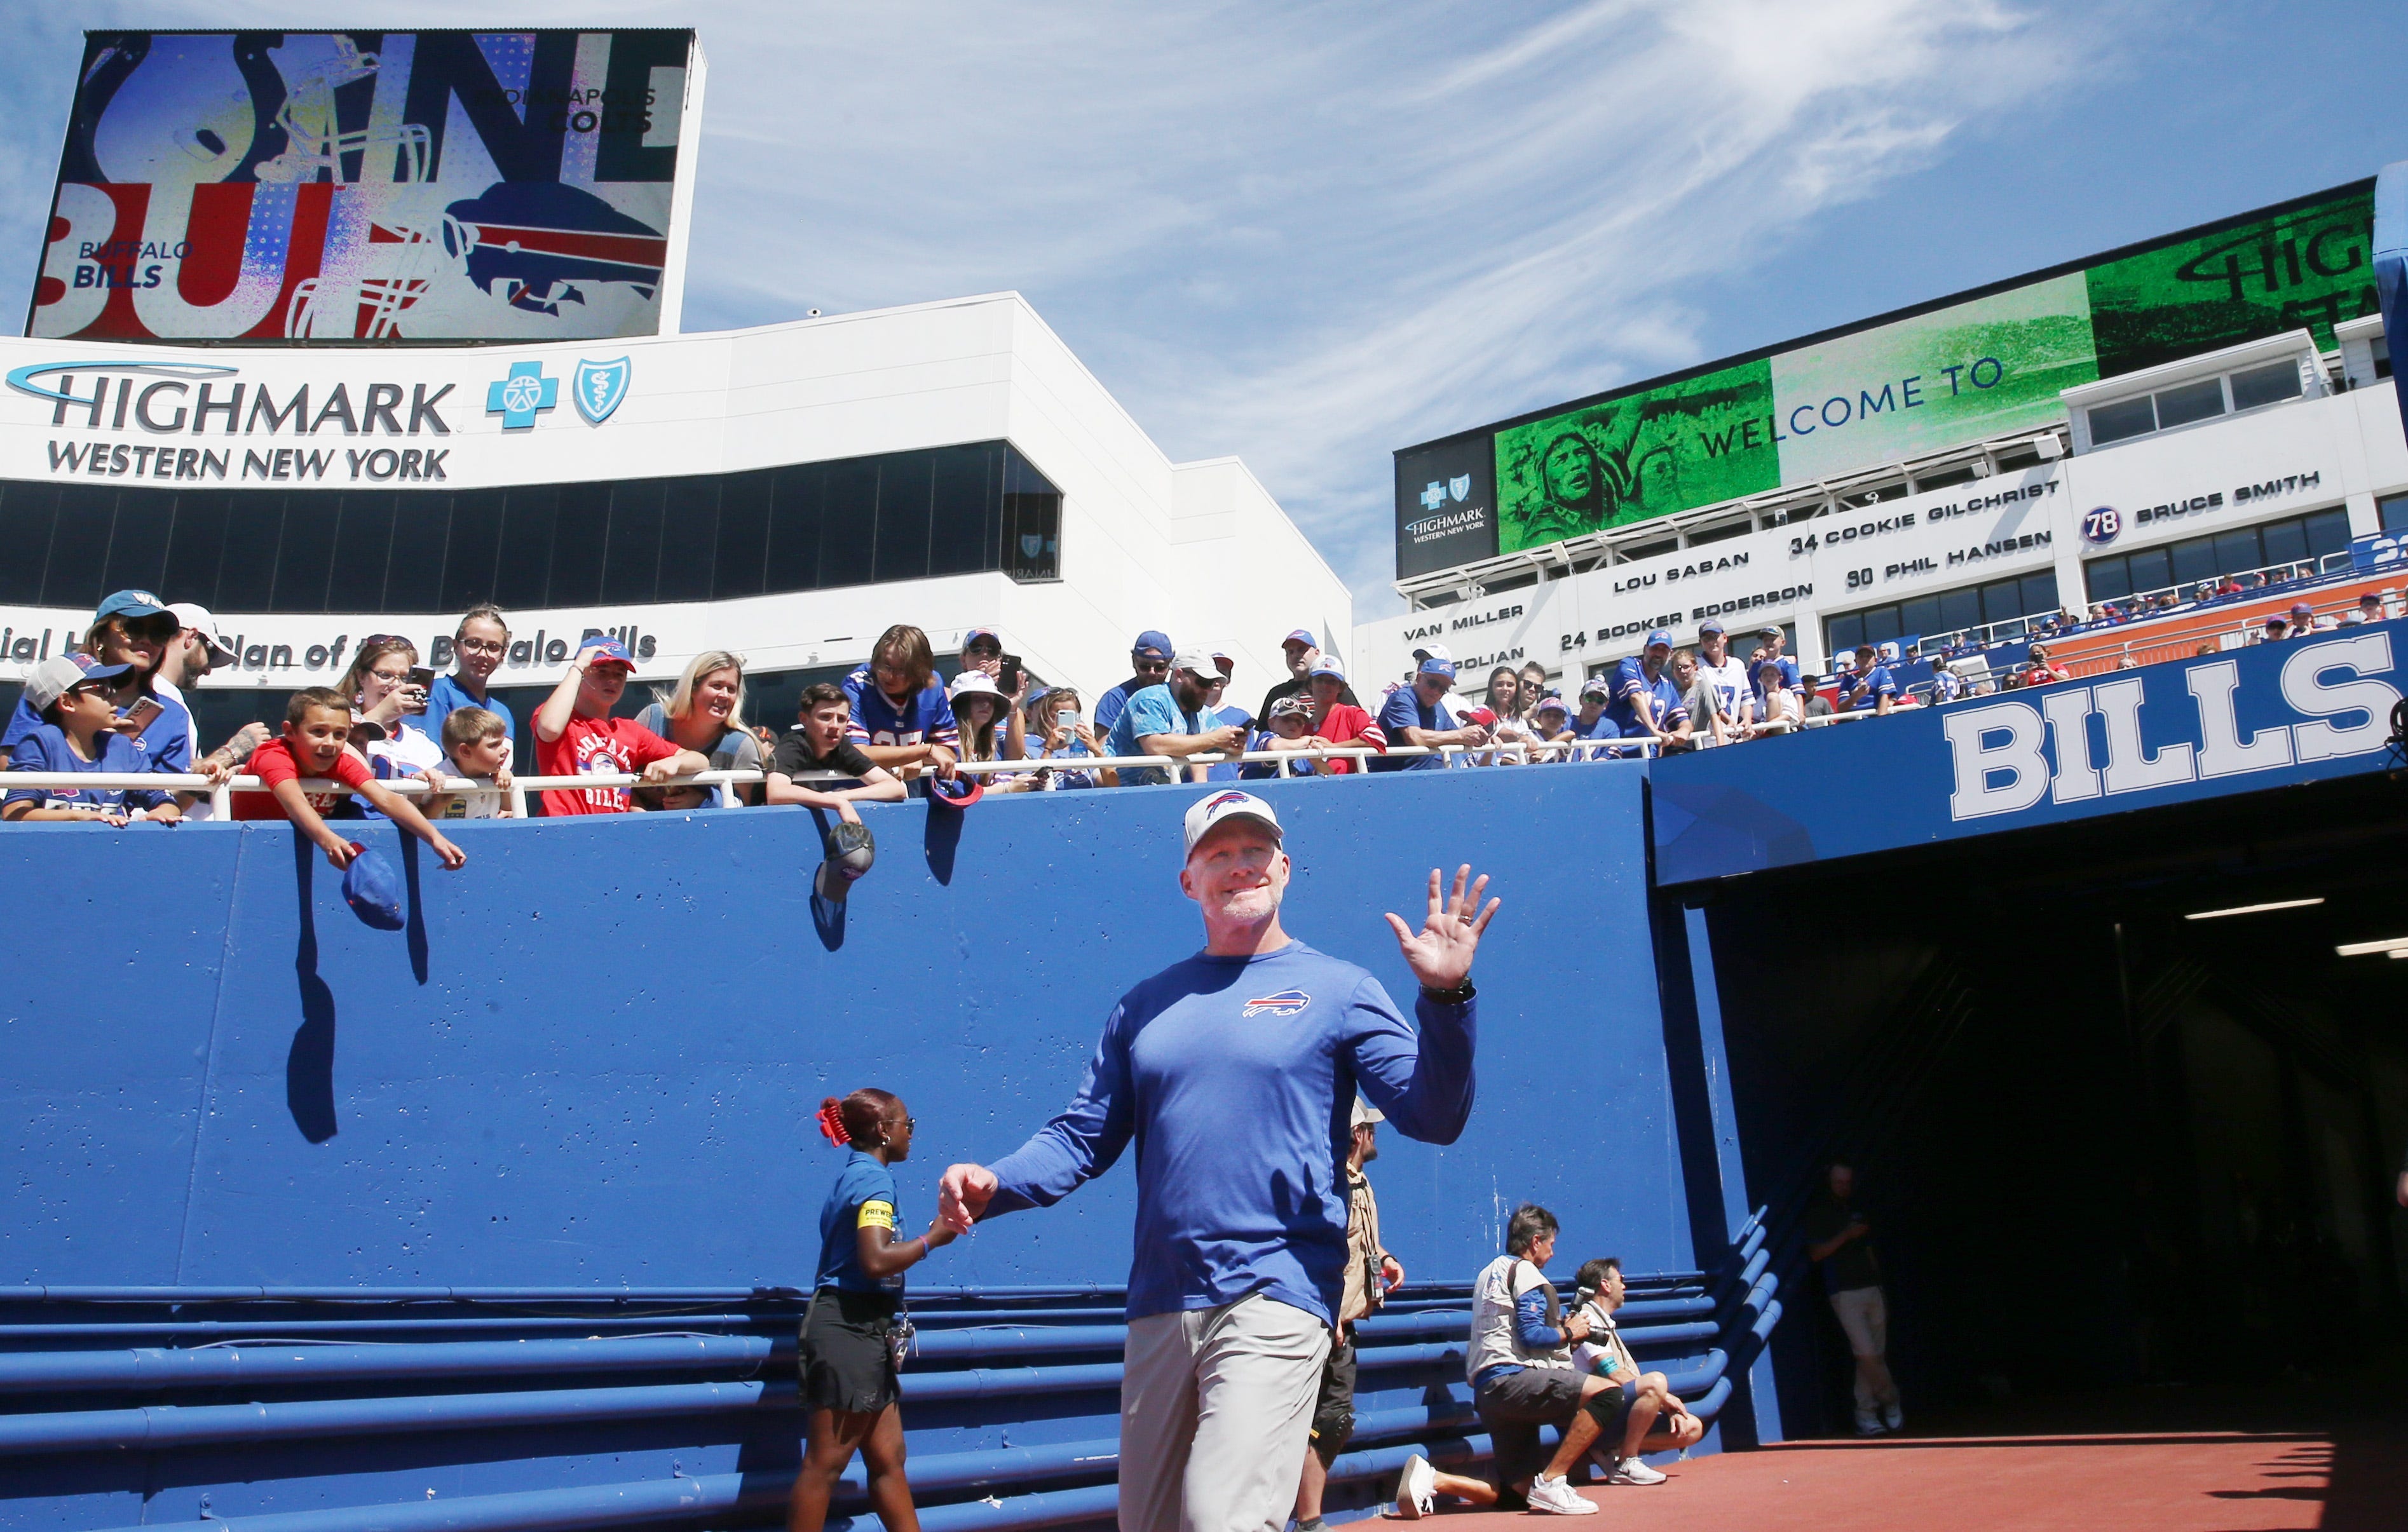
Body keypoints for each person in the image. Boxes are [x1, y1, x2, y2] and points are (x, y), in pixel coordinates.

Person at [935, 792, 1493, 1532]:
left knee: (1223, 1518)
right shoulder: (1144, 1005)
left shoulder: (1341, 990)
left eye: (1254, 851)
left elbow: (1435, 1113)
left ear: (1284, 867)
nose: (1239, 867)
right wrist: (997, 1180)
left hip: (1277, 1288)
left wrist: (1447, 997)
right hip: (1162, 1301)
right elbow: (1081, 1138)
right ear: (1189, 880)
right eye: (1218, 854)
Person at [787, 1088, 957, 1532]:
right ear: (884, 1131)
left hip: (866, 1330)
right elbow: (876, 1259)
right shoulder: (873, 1181)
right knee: (825, 1464)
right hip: (849, 1327)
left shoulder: (859, 1175)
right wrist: (931, 1239)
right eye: (908, 1125)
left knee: (888, 1458)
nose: (911, 1134)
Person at [1467, 1203, 1661, 1512]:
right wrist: (1569, 1333)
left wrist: (1562, 1337)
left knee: (1518, 1493)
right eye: (1551, 1245)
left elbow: (1514, 1333)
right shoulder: (1527, 1272)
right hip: (1514, 1380)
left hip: (1488, 1392)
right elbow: (1531, 1334)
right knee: (1608, 1394)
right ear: (1535, 1242)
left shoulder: (1486, 1273)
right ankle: (1554, 1480)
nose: (1552, 1253)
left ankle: (1434, 1479)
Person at [1290, 1098, 1406, 1532]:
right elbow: (1316, 1250)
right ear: (1358, 1134)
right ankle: (1308, 1520)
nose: (1377, 1135)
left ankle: (1306, 1518)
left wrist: (1384, 1255)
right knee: (1326, 1419)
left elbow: (1357, 1241)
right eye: (1371, 1128)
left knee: (1329, 1420)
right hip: (1325, 1322)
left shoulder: (1359, 1182)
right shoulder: (1331, 1184)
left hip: (1343, 1321)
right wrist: (1330, 1314)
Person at [229, 688, 466, 871]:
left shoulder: (340, 760)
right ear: (290, 732)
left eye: (340, 735)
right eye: (318, 732)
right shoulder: (274, 756)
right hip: (245, 850)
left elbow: (386, 798)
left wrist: (435, 839)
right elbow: (296, 804)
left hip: (291, 853)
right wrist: (329, 841)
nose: (330, 743)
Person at [532, 636, 709, 817]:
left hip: (613, 833)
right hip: (564, 830)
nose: (613, 681)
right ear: (583, 673)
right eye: (602, 671)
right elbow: (550, 728)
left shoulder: (630, 731)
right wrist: (577, 667)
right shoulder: (560, 718)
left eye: (619, 674)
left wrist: (675, 762)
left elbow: (701, 761)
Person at [2, 657, 177, 825]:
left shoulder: (121, 747)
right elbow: (14, 813)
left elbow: (164, 799)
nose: (116, 699)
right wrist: (80, 818)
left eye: (114, 689)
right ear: (67, 702)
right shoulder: (41, 742)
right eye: (103, 690)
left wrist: (162, 813)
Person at [1569, 1257, 1704, 1463]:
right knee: (1655, 1381)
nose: (1624, 1286)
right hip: (1594, 1412)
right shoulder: (1587, 1319)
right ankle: (1627, 1461)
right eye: (1620, 1279)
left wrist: (1663, 1404)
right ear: (1605, 1285)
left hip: (1618, 1408)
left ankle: (1614, 1447)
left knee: (1692, 1428)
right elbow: (1612, 1372)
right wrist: (1665, 1398)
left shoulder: (1604, 1321)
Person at [1804, 1162, 1901, 1435]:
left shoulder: (1859, 1207)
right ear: (1829, 1183)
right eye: (1839, 1183)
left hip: (1872, 1288)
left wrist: (1880, 1284)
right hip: (1844, 1291)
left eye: (1847, 1182)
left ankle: (1866, 1415)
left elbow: (1870, 1249)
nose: (1844, 1188)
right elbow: (1816, 1253)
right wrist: (1847, 1235)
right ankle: (1890, 1399)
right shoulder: (1820, 1213)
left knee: (1874, 1355)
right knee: (1866, 1353)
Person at [637, 651, 764, 807]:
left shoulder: (741, 746)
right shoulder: (653, 718)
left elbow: (742, 807)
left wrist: (703, 801)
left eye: (731, 689)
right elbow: (621, 778)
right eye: (716, 686)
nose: (724, 695)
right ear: (693, 688)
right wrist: (637, 811)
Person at [767, 683, 909, 817]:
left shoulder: (843, 747)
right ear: (804, 719)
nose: (834, 726)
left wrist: (842, 797)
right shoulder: (792, 745)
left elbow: (896, 789)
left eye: (841, 719)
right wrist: (837, 803)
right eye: (825, 717)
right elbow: (777, 793)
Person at [1103, 653, 1246, 786]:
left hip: (1159, 793)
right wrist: (1216, 739)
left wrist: (1236, 742)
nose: (1208, 690)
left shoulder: (1202, 712)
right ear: (1179, 675)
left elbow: (1227, 745)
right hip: (1118, 790)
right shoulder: (1150, 699)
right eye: (1203, 682)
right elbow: (1155, 746)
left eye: (1211, 684)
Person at [845, 625, 960, 785]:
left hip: (906, 791)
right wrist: (921, 752)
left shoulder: (933, 686)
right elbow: (856, 752)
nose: (890, 676)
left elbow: (950, 750)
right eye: (886, 665)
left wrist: (919, 758)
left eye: (901, 670)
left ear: (919, 672)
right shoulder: (858, 685)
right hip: (856, 787)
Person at [342, 635, 447, 780]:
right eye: (385, 675)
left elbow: (421, 804)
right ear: (361, 677)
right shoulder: (339, 721)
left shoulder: (424, 746)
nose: (396, 685)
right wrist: (382, 714)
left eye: (405, 678)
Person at [421, 604, 516, 749]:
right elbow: (424, 757)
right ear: (456, 646)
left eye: (493, 647)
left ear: (503, 654)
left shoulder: (503, 713)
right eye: (473, 644)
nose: (483, 654)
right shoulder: (436, 693)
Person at [1372, 656, 1487, 771]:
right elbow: (1415, 738)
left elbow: (1454, 736)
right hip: (1388, 779)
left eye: (1443, 689)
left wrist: (1482, 736)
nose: (1436, 692)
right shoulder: (1403, 698)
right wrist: (1462, 735)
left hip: (1422, 779)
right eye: (1432, 684)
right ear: (1419, 678)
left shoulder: (1438, 707)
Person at [1603, 632, 1687, 754]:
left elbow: (1683, 719)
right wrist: (1654, 730)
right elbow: (1636, 696)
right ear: (1645, 649)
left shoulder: (1667, 686)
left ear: (1670, 655)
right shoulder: (1630, 665)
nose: (1658, 654)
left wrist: (1684, 730)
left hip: (1647, 753)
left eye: (1664, 650)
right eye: (1655, 648)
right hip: (1616, 750)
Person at [427, 706, 515, 820]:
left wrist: (505, 785)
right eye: (494, 745)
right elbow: (416, 824)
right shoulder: (437, 780)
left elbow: (509, 810)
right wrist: (437, 804)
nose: (504, 751)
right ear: (466, 751)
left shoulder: (496, 775)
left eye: (502, 744)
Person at [1019, 688, 1115, 790]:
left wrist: (1098, 751)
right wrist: (1049, 750)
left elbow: (1113, 786)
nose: (1065, 723)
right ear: (1045, 717)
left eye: (1071, 716)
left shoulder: (1082, 749)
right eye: (1057, 716)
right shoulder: (1028, 748)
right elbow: (1031, 788)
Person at [1258, 629, 1361, 724]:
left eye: (1302, 650)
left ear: (1317, 653)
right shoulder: (1276, 693)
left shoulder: (1333, 687)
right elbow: (1264, 733)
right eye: (1290, 652)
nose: (1296, 656)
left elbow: (1358, 725)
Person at [1302, 658, 1385, 772]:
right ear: (1310, 684)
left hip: (1345, 787)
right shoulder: (1303, 726)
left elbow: (1377, 738)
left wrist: (1334, 747)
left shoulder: (1352, 714)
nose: (1325, 685)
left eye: (1332, 682)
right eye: (1319, 680)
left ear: (1340, 688)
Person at [1096, 630, 1176, 736]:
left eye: (1160, 667)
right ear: (1134, 661)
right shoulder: (1114, 699)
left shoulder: (1177, 697)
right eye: (1145, 666)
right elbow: (1102, 748)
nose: (1152, 672)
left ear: (1170, 664)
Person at [1691, 621, 1754, 748]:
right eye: (1707, 638)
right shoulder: (1697, 665)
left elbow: (1746, 700)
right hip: (1705, 740)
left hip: (1732, 735)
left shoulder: (1737, 665)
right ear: (1701, 643)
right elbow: (1709, 704)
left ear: (1724, 638)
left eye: (1715, 637)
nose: (1711, 642)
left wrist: (1747, 720)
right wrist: (1728, 720)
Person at [1239, 695, 1324, 778]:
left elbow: (1329, 778)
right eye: (1287, 719)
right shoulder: (1267, 736)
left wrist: (1318, 762)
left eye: (1299, 722)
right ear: (1272, 723)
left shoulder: (1303, 751)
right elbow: (1274, 747)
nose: (1293, 724)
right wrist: (1306, 740)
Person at [1750, 627, 1804, 713]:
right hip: (1759, 714)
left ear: (1783, 643)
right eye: (1765, 640)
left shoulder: (1787, 664)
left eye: (1772, 639)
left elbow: (1797, 691)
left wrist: (1801, 714)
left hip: (1782, 712)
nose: (1768, 643)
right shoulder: (1756, 666)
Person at [1838, 646, 1896, 715]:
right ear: (1856, 661)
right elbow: (1841, 709)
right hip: (1852, 718)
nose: (1865, 659)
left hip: (1873, 716)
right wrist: (1856, 696)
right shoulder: (1848, 680)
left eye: (1868, 656)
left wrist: (1881, 720)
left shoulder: (1881, 672)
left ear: (1875, 660)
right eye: (1861, 656)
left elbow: (1885, 696)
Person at [1750, 662, 1804, 736]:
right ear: (1760, 679)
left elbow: (1787, 716)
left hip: (1785, 732)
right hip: (1765, 735)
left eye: (1773, 675)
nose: (1769, 678)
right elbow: (1755, 719)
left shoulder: (1786, 694)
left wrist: (1768, 726)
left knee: (1772, 697)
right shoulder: (1759, 700)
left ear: (1780, 678)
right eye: (1765, 675)